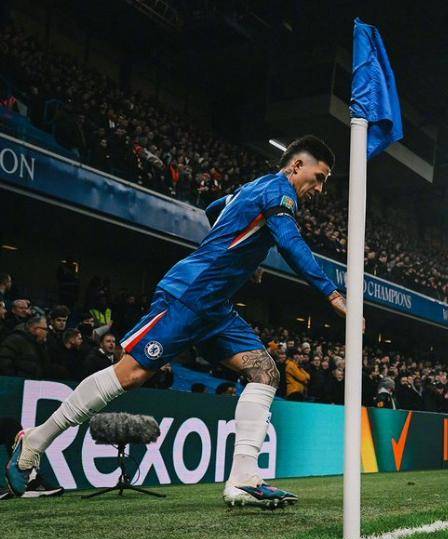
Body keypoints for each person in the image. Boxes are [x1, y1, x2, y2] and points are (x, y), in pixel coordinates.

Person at [6, 136, 347, 509]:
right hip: (190, 293)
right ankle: (35, 442)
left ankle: (243, 479)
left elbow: (215, 209)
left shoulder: (252, 188)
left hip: (215, 306)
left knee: (265, 373)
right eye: (319, 177)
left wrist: (244, 251)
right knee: (131, 374)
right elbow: (291, 243)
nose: (319, 188)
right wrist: (332, 294)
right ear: (296, 165)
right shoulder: (280, 193)